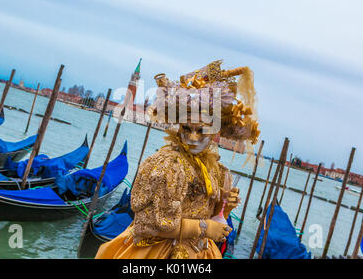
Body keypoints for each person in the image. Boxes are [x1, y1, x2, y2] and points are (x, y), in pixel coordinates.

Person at [95, 60, 260, 259]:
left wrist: (224, 207)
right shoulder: (167, 165)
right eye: (187, 129)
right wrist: (204, 227)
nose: (192, 138)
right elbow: (148, 223)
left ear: (214, 133)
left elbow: (211, 217)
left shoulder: (218, 171)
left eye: (201, 131)